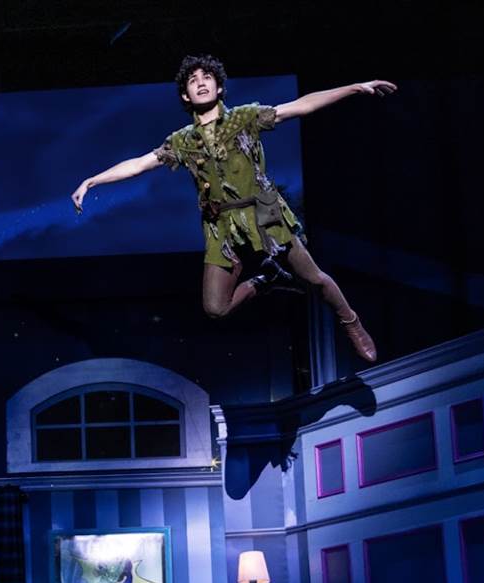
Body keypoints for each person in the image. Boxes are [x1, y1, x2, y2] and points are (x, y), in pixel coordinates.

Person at [72, 54, 397, 364]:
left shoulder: (244, 118)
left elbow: (300, 106)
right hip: (221, 227)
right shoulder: (183, 141)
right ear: (185, 95)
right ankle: (265, 280)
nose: (200, 82)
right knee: (215, 308)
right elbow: (139, 164)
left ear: (219, 88)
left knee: (315, 279)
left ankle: (350, 320)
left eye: (207, 77)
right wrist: (92, 181)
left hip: (263, 216)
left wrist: (355, 87)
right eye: (192, 80)